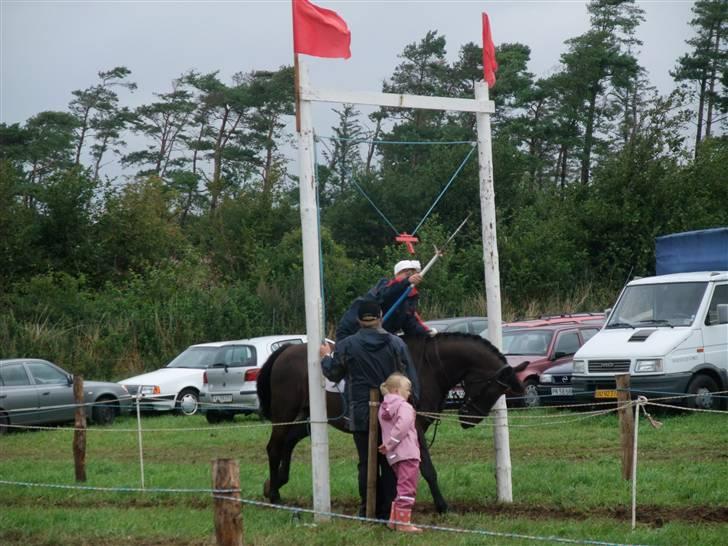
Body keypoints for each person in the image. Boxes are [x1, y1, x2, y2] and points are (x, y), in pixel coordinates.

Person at [319, 300, 420, 520]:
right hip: (392, 416)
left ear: (358, 320)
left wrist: (325, 357)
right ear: (380, 316)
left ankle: (367, 509)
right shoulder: (396, 344)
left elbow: (334, 373)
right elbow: (411, 379)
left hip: (361, 413)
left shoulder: (346, 345)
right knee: (391, 462)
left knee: (366, 463)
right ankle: (389, 511)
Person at [335, 259, 434, 343]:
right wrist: (406, 282)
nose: (412, 276)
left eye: (414, 274)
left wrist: (426, 333)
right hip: (352, 336)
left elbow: (410, 324)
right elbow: (386, 294)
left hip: (378, 341)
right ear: (397, 274)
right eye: (408, 273)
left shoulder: (408, 301)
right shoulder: (383, 286)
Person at [378, 373, 422, 533]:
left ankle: (394, 521)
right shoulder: (404, 406)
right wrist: (391, 443)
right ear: (396, 390)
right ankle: (404, 524)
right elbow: (402, 426)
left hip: (394, 456)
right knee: (408, 488)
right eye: (407, 389)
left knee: (402, 486)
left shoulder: (383, 408)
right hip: (408, 453)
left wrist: (389, 446)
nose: (409, 392)